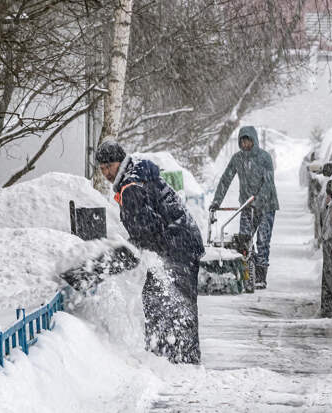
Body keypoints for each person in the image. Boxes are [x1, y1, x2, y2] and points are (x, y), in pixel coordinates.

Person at [96, 140, 205, 364]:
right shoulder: (135, 175)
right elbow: (147, 226)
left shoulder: (131, 187)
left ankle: (174, 358)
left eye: (110, 166)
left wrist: (129, 251)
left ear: (120, 162)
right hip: (181, 241)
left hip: (177, 246)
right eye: (102, 168)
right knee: (167, 300)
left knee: (165, 301)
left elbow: (147, 230)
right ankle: (174, 355)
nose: (106, 172)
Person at [210, 126, 279, 289]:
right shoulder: (237, 159)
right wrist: (216, 201)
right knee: (244, 240)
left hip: (266, 205)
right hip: (247, 206)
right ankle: (248, 269)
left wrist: (258, 200)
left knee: (263, 239)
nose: (245, 144)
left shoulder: (264, 158)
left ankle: (261, 276)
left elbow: (268, 182)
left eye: (248, 141)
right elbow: (226, 179)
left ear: (254, 140)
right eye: (243, 141)